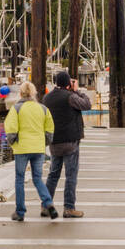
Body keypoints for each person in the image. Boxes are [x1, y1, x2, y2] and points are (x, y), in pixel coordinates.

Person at [3, 80, 57, 222]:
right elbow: (50, 128)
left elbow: (11, 128)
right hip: (38, 148)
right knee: (37, 179)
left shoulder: (16, 109)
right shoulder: (43, 109)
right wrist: (44, 142)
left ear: (20, 93)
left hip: (22, 148)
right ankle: (48, 202)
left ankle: (20, 212)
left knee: (19, 180)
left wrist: (12, 141)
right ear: (33, 93)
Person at [43, 70, 93, 218]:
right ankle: (69, 208)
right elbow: (87, 105)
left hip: (54, 142)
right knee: (71, 175)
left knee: (53, 174)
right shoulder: (71, 97)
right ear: (68, 84)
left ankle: (46, 205)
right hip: (70, 142)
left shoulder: (46, 98)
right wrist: (78, 91)